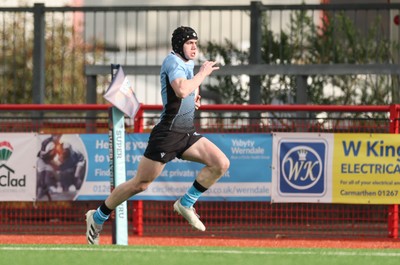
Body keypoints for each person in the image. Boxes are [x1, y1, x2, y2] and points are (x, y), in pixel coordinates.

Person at [85, 26, 230, 245]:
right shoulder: (172, 61)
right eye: (190, 43)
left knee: (220, 163)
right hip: (167, 133)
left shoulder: (188, 63)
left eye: (196, 43)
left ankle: (186, 203)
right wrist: (202, 74)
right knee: (140, 184)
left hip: (186, 132)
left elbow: (186, 93)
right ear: (179, 45)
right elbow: (181, 89)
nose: (194, 47)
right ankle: (96, 217)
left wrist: (194, 99)